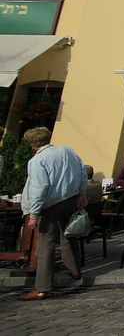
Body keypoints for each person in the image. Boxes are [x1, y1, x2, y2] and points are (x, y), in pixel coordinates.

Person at [18, 127, 88, 301]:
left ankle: (42, 287)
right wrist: (82, 193)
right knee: (69, 235)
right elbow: (82, 171)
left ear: (32, 144)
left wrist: (33, 214)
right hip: (70, 198)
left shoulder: (37, 160)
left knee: (45, 245)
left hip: (50, 204)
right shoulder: (67, 151)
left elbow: (39, 188)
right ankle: (74, 268)